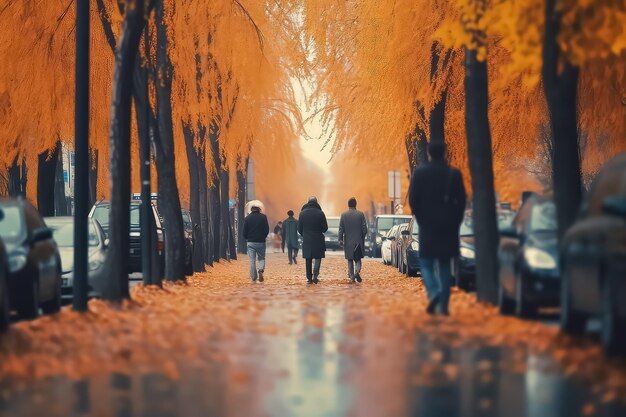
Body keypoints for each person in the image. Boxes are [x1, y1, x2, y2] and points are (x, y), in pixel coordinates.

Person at [408, 141, 466, 315]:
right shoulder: (453, 174)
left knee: (425, 263)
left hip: (427, 226)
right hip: (448, 227)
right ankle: (444, 306)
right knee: (445, 266)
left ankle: (434, 293)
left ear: (429, 153)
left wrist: (421, 218)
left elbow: (413, 200)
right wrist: (455, 221)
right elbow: (461, 201)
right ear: (445, 153)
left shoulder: (420, 174)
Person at [298, 196, 328, 284]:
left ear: (308, 202)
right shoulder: (320, 213)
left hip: (307, 239)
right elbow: (325, 228)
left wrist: (305, 234)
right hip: (318, 239)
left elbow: (299, 229)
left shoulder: (302, 213)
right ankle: (315, 275)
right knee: (318, 257)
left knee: (308, 258)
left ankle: (309, 278)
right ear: (316, 202)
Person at [338, 197, 367, 283]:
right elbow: (364, 229)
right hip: (358, 241)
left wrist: (340, 239)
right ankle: (357, 272)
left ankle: (351, 277)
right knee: (358, 259)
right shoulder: (361, 214)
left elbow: (341, 229)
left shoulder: (343, 215)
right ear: (355, 204)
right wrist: (362, 237)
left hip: (348, 241)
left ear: (348, 205)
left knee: (350, 259)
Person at [242, 203, 270, 282]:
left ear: (251, 210)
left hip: (251, 242)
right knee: (261, 258)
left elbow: (244, 231)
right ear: (259, 210)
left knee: (252, 260)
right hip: (261, 241)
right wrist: (263, 236)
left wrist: (247, 238)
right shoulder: (263, 217)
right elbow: (267, 229)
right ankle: (261, 270)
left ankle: (254, 277)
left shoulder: (247, 218)